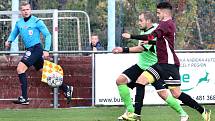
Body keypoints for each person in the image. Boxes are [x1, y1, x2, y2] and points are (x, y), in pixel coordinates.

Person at [122, 2, 211, 121]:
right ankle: (136, 115)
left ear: (164, 12)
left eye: (158, 13)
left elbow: (150, 36)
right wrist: (152, 42)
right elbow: (161, 40)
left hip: (169, 65)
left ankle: (203, 111)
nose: (157, 15)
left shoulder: (165, 24)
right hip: (160, 64)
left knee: (176, 94)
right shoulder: (166, 24)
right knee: (140, 81)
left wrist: (131, 36)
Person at [113, 11, 188, 121]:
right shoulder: (144, 30)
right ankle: (130, 111)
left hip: (154, 67)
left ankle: (183, 113)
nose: (139, 22)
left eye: (141, 20)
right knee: (120, 80)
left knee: (163, 94)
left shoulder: (155, 30)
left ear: (148, 21)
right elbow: (142, 47)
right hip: (141, 66)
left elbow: (142, 48)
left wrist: (123, 49)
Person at [5, 2, 73, 105]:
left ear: (30, 10)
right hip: (30, 49)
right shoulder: (19, 23)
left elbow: (48, 35)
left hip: (36, 49)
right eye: (23, 10)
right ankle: (66, 88)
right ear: (21, 12)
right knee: (45, 73)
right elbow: (14, 33)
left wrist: (46, 50)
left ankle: (24, 98)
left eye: (27, 9)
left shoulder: (37, 21)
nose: (25, 11)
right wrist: (9, 40)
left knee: (20, 68)